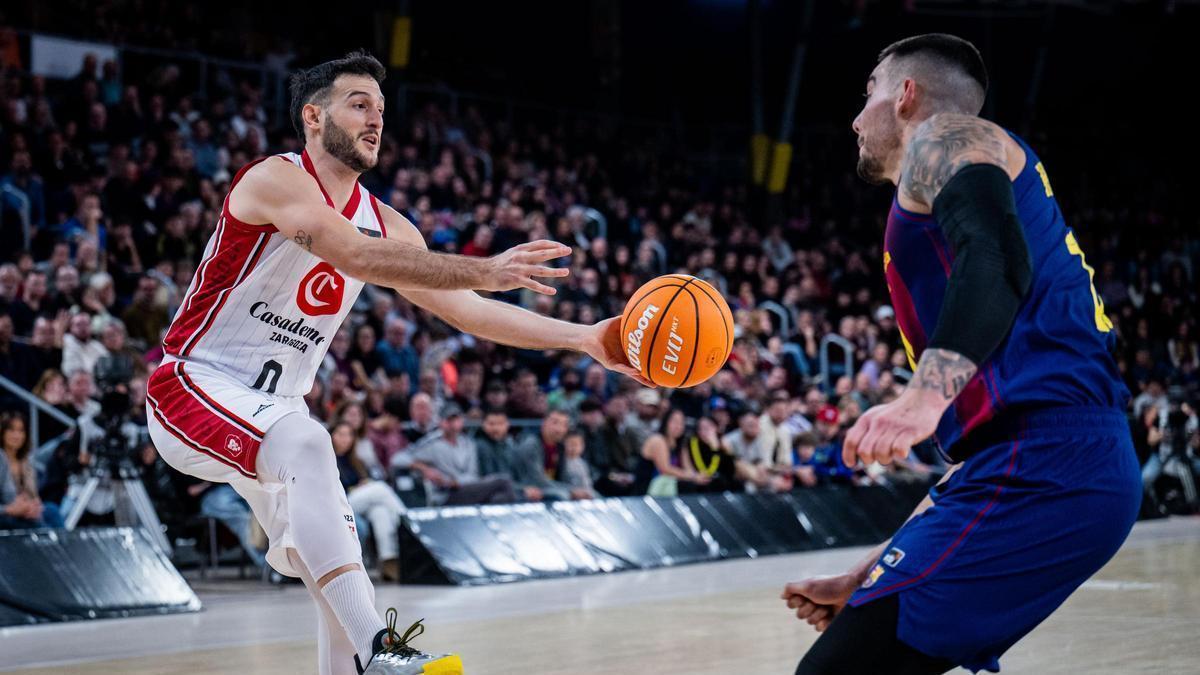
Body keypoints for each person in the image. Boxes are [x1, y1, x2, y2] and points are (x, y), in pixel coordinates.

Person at [143, 51, 647, 675]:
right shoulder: (273, 179)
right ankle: (382, 654)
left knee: (331, 574)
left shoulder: (390, 224)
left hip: (274, 409)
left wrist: (585, 338)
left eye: (381, 110)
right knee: (307, 443)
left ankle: (362, 662)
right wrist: (487, 268)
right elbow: (354, 255)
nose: (376, 119)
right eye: (359, 105)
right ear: (312, 116)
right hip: (194, 382)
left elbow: (472, 314)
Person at [783, 34, 1142, 675]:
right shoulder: (941, 186)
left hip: (1051, 460)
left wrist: (925, 395)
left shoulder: (946, 137)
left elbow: (999, 257)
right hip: (1035, 460)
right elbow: (979, 454)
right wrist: (865, 577)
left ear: (906, 95)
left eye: (868, 93)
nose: (856, 116)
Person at [332, 422, 407, 582]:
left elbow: (362, 479)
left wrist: (363, 484)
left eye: (349, 435)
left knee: (380, 513)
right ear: (332, 436)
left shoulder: (354, 460)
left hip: (360, 502)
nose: (346, 439)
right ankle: (405, 521)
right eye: (341, 434)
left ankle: (389, 562)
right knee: (380, 488)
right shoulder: (329, 459)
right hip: (340, 502)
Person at [409, 403, 518, 506]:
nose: (453, 424)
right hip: (445, 494)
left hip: (465, 487)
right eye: (449, 420)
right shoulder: (432, 444)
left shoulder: (468, 444)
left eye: (456, 419)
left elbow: (473, 474)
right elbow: (399, 459)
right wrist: (423, 468)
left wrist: (455, 482)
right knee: (503, 482)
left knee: (500, 496)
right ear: (441, 422)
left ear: (462, 421)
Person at [1, 412, 65, 528]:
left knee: (52, 510)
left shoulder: (26, 461)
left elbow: (34, 495)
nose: (17, 436)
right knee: (38, 525)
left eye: (21, 431)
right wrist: (11, 509)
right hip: (6, 513)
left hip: (24, 510)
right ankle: (52, 544)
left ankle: (64, 545)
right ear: (2, 433)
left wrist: (35, 506)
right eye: (11, 430)